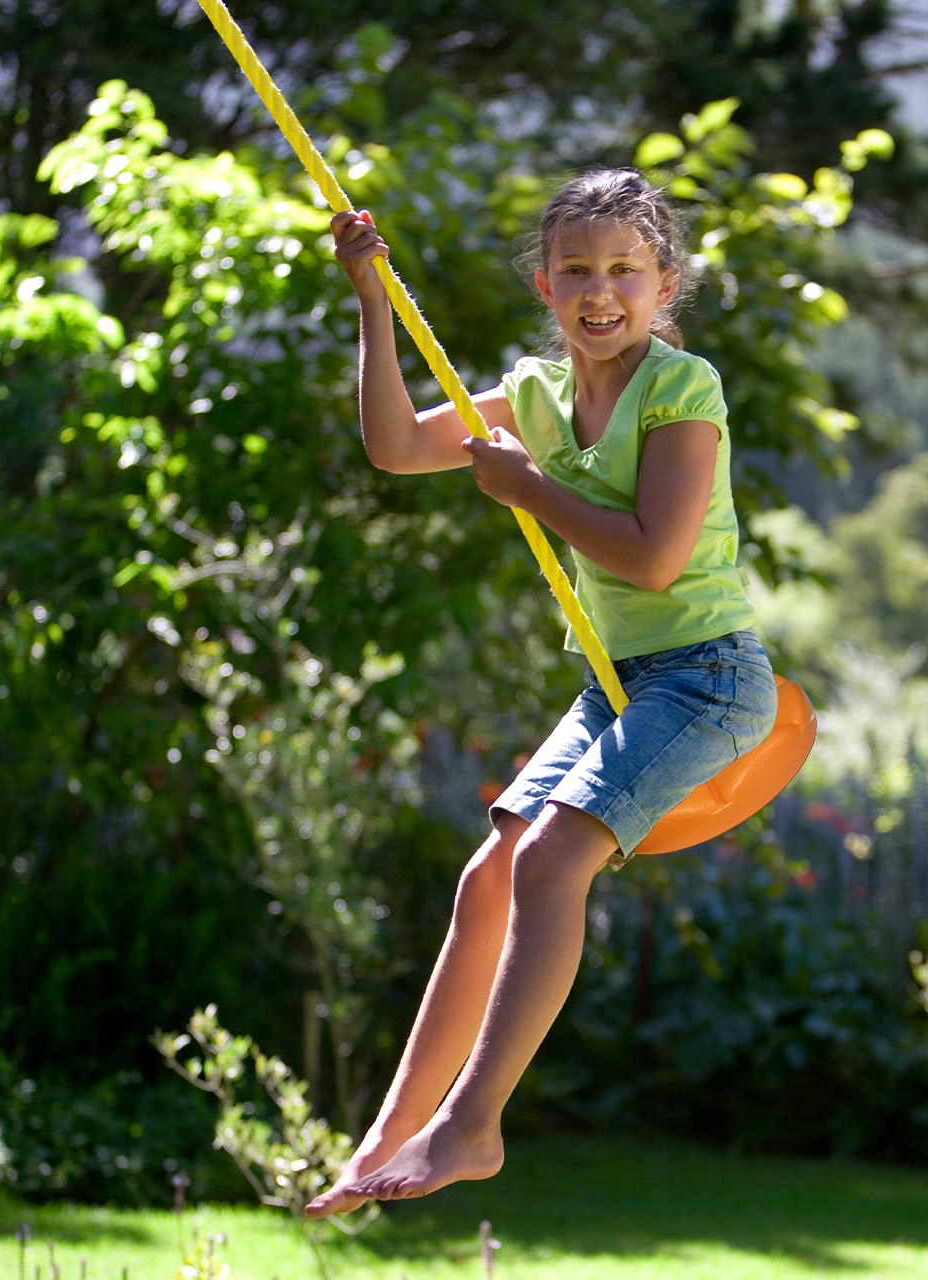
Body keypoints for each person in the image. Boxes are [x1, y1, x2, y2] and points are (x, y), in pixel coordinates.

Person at [306, 169, 777, 1211]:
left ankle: (472, 1125)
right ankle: (391, 1130)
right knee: (492, 874)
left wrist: (530, 486)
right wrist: (373, 304)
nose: (599, 288)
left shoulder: (680, 386)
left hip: (706, 674)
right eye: (576, 268)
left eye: (624, 269)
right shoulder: (531, 393)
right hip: (616, 686)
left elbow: (653, 559)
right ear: (544, 282)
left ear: (664, 285)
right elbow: (393, 446)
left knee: (554, 854)